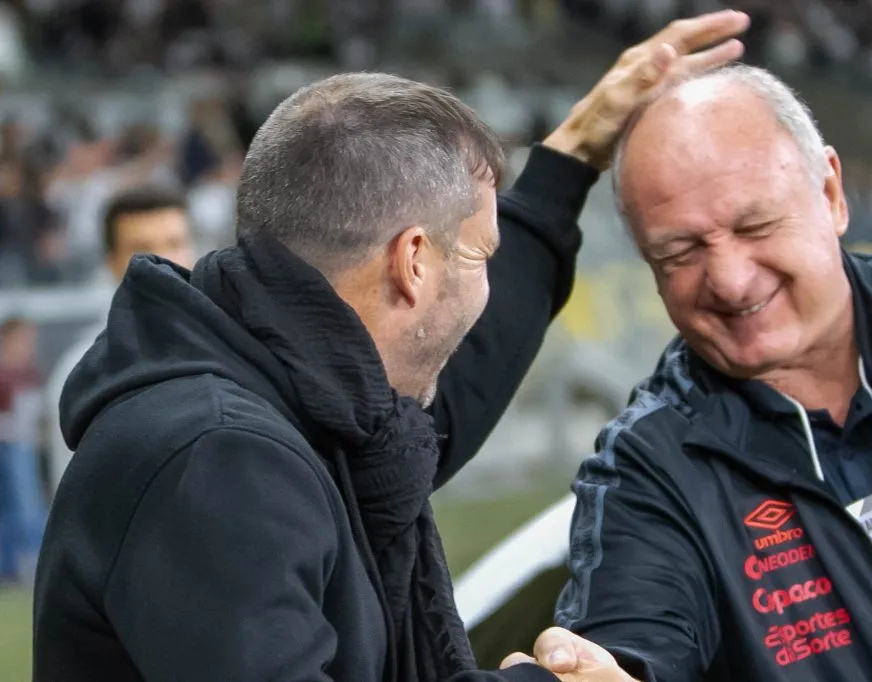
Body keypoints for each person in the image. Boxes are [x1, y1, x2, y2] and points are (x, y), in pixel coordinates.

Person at [32, 11, 750, 682]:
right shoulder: (217, 460)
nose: (486, 289)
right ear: (412, 261)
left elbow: (458, 392)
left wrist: (570, 158)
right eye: (480, 256)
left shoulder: (303, 407)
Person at [547, 65, 872, 681]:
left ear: (830, 193)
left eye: (755, 226)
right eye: (680, 253)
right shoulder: (652, 472)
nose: (730, 281)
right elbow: (631, 647)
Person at [43, 185, 197, 497]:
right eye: (142, 249)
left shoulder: (231, 347)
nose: (164, 260)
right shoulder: (82, 371)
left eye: (175, 242)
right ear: (111, 262)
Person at [0, 316, 47, 585]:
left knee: (26, 500)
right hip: (9, 442)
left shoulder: (29, 370)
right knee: (16, 503)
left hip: (22, 442)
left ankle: (31, 559)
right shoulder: (6, 371)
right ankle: (14, 563)